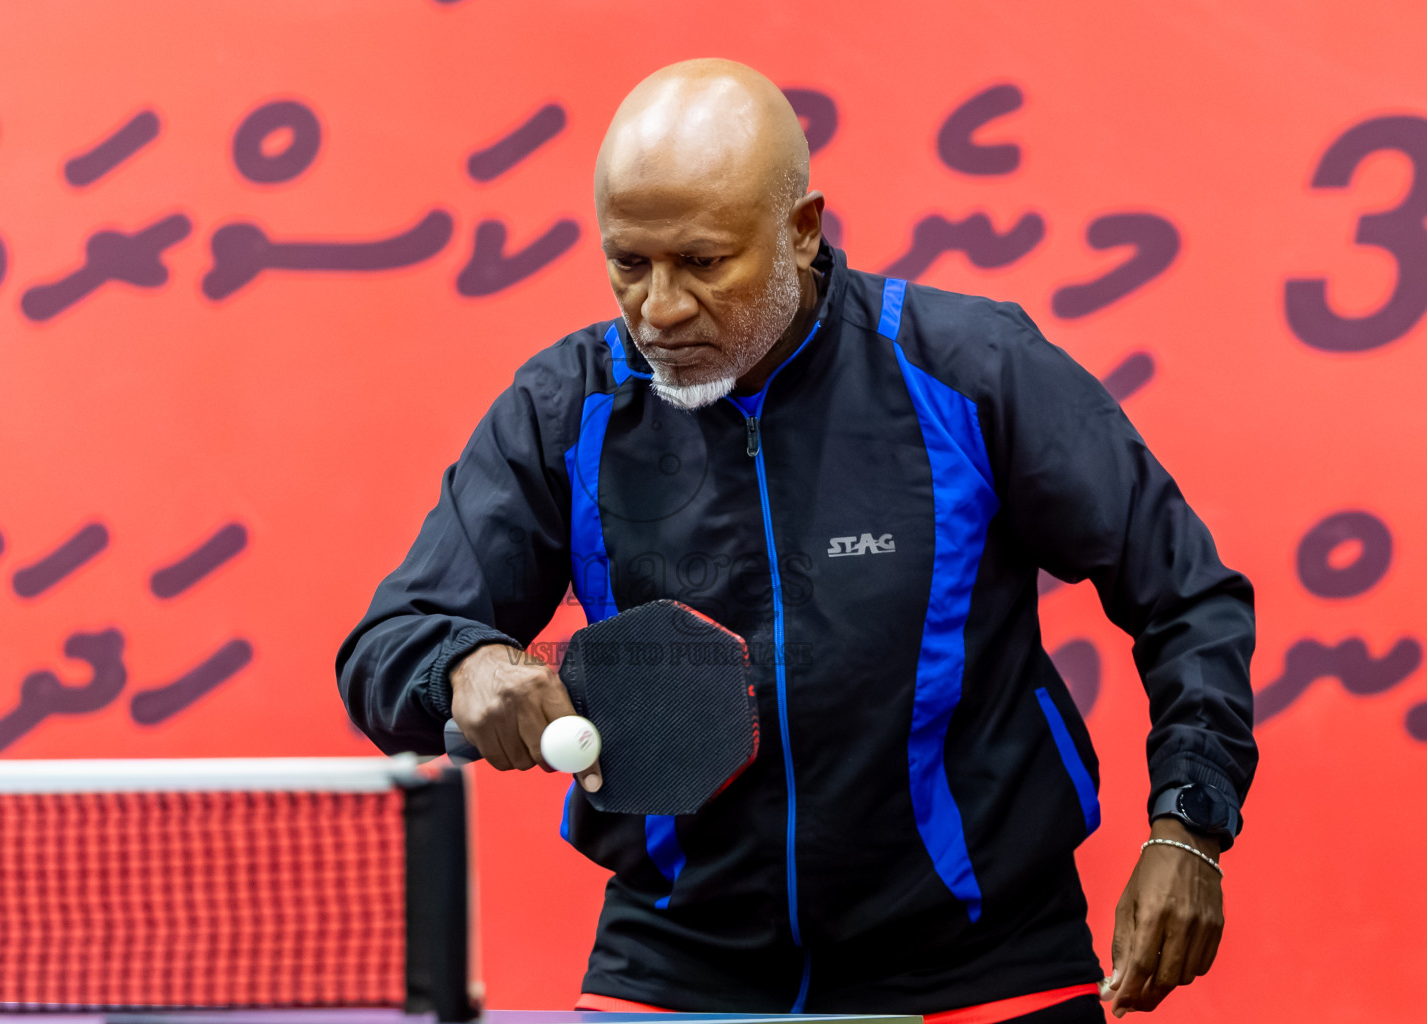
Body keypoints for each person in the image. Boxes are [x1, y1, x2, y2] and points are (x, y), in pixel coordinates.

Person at [337, 59, 1256, 1023]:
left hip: (984, 959)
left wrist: (1187, 824)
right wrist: (463, 664)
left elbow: (1185, 595)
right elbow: (388, 643)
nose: (659, 308)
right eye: (629, 264)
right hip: (681, 963)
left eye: (702, 263)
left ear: (802, 230)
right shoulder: (565, 408)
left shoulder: (972, 370)